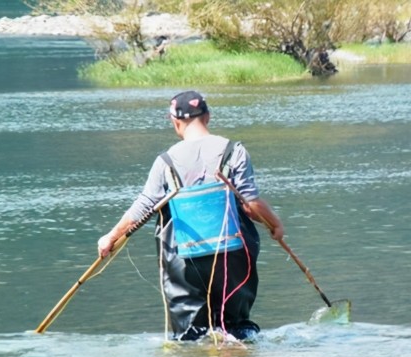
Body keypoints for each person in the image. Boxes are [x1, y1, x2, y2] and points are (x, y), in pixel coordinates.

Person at [97, 90, 283, 341]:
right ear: (207, 116)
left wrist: (111, 237)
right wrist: (275, 225)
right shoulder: (234, 150)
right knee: (236, 330)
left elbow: (143, 207)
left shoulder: (165, 162)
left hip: (184, 259)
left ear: (174, 121)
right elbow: (251, 204)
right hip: (233, 254)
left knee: (191, 336)